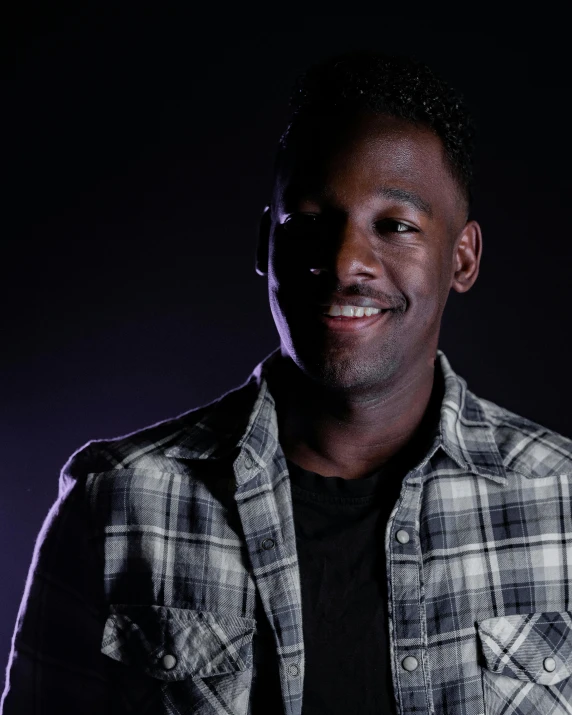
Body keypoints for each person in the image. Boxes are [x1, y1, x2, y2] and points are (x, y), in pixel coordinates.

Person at [2, 51, 572, 715]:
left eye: (395, 225)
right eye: (308, 222)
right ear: (263, 244)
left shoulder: (563, 501)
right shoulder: (119, 502)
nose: (346, 262)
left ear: (463, 257)